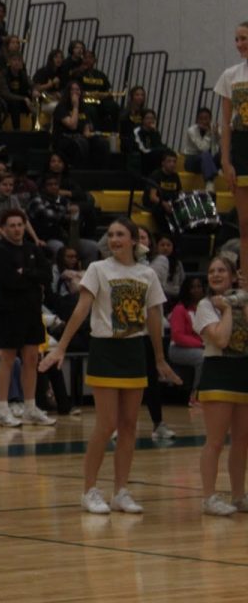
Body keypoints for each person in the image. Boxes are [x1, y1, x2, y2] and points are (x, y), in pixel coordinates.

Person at [40, 217, 182, 514]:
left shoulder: (147, 274)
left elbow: (154, 318)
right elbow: (82, 309)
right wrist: (61, 347)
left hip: (134, 352)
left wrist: (159, 359)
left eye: (121, 234)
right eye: (111, 234)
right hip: (105, 349)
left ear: (134, 240)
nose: (115, 239)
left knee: (130, 425)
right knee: (106, 425)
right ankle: (89, 490)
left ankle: (121, 491)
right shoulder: (97, 269)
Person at [190, 256, 248, 516]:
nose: (215, 274)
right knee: (215, 441)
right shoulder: (205, 306)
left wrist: (241, 302)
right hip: (217, 374)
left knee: (242, 440)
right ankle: (209, 497)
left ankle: (238, 496)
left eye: (221, 270)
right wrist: (226, 310)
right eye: (211, 271)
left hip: (243, 373)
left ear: (234, 276)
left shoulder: (244, 301)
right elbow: (222, 339)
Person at [0, 210, 55, 427]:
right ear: (4, 228)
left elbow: (47, 275)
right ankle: (3, 409)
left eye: (20, 224)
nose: (17, 229)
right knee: (8, 359)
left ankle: (30, 407)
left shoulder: (32, 248)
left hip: (32, 311)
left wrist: (25, 273)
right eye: (12, 225)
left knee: (31, 359)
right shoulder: (0, 250)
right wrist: (33, 278)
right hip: (10, 311)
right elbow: (9, 281)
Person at [217, 22, 248, 281]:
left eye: (244, 38)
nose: (239, 44)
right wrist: (225, 161)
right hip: (241, 148)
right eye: (236, 39)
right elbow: (225, 124)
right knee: (245, 225)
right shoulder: (230, 75)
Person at [167, 275, 207, 408]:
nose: (196, 290)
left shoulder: (205, 308)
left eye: (199, 287)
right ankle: (196, 396)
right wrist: (201, 345)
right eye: (192, 287)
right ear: (187, 290)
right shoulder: (180, 309)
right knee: (202, 358)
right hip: (178, 349)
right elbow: (178, 336)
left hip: (200, 346)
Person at [183, 106, 219, 192]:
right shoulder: (191, 130)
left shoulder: (213, 128)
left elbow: (219, 145)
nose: (203, 121)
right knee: (205, 154)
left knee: (223, 154)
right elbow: (203, 148)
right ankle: (209, 183)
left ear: (210, 119)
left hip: (207, 160)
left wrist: (217, 134)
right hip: (191, 161)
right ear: (197, 120)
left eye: (206, 119)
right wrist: (208, 134)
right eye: (201, 119)